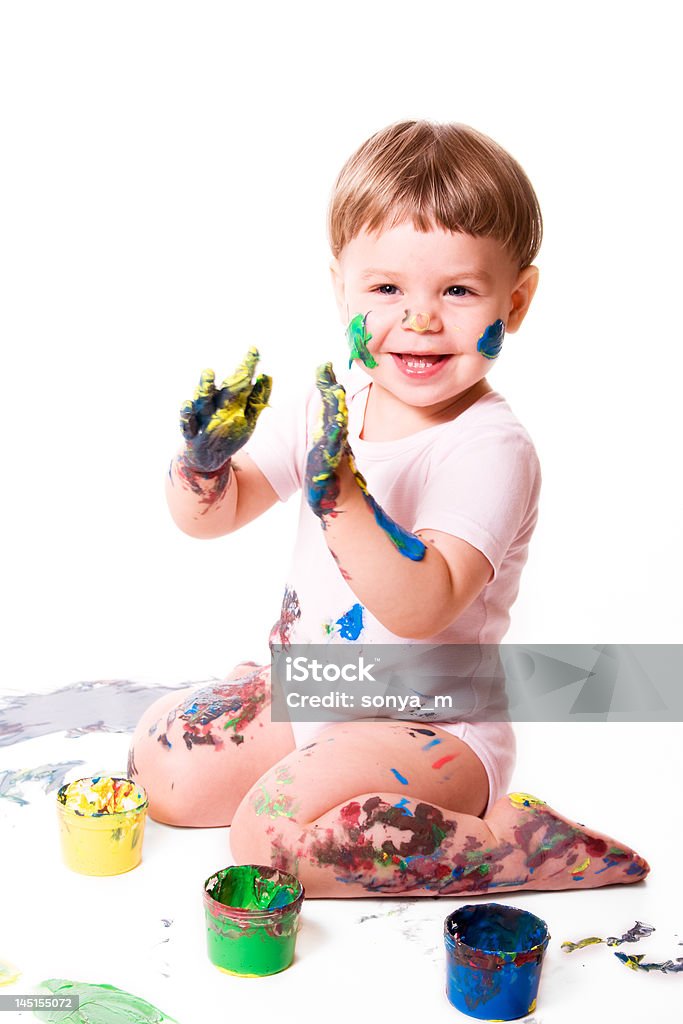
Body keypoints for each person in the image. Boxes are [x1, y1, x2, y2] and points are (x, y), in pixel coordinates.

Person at [128, 120, 649, 897]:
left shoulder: (488, 449)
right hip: (320, 692)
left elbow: (418, 605)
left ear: (518, 297)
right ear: (339, 285)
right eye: (385, 289)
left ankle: (515, 847)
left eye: (459, 291)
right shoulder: (328, 406)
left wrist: (337, 490)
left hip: (433, 728)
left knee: (267, 842)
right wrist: (202, 464)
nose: (420, 319)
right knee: (157, 764)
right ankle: (312, 767)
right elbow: (211, 517)